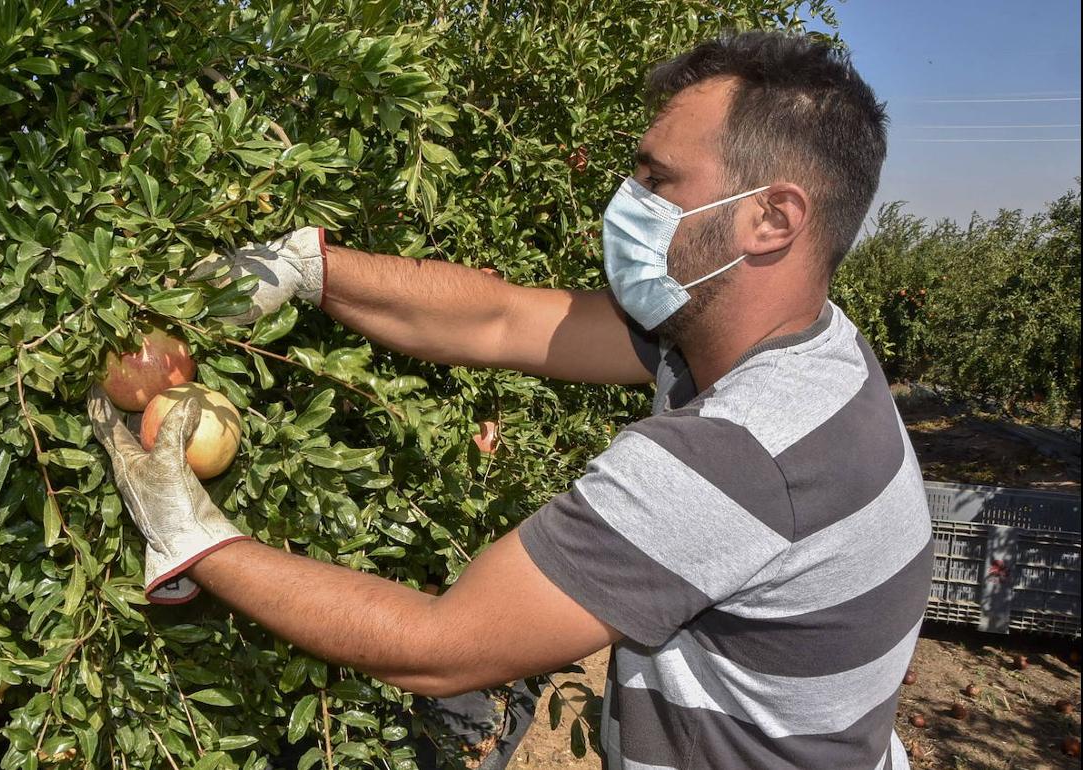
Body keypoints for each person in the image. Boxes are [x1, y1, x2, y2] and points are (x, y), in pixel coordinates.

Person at [88, 30, 933, 769]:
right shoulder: (796, 345)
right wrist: (303, 266)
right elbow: (501, 320)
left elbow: (440, 648)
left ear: (771, 219)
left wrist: (188, 532)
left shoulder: (741, 453)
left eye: (657, 179)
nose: (627, 200)